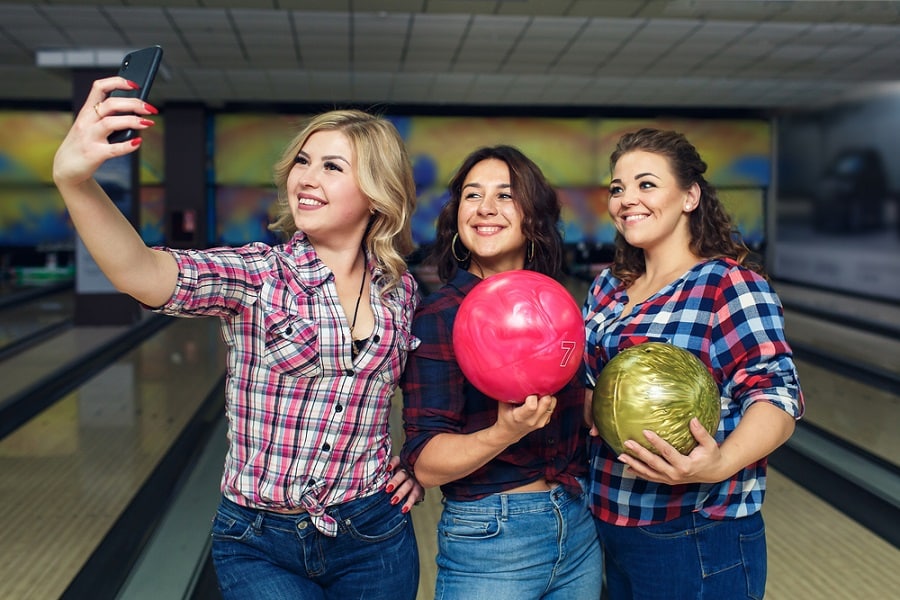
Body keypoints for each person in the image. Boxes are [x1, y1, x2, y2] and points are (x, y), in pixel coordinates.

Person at [52, 76, 424, 600]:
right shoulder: (257, 275)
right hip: (257, 538)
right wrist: (76, 182)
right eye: (302, 161)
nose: (307, 177)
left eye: (332, 166)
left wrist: (416, 463)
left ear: (378, 192)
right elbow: (144, 272)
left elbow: (425, 393)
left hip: (373, 534)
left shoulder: (399, 291)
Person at [583, 128, 805, 599]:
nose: (626, 200)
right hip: (606, 520)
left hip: (698, 529)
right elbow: (590, 391)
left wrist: (719, 462)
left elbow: (776, 395)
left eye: (646, 185)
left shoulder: (728, 284)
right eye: (617, 189)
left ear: (689, 196)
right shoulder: (607, 289)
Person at [400, 145, 602, 599]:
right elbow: (426, 463)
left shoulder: (557, 307)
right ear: (457, 217)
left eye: (505, 196)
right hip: (491, 537)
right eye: (472, 196)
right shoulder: (440, 317)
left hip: (577, 525)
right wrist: (504, 431)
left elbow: (579, 414)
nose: (485, 208)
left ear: (533, 217)